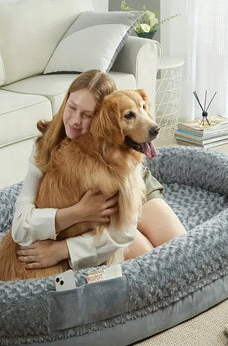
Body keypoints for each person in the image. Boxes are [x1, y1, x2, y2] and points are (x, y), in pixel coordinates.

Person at [12, 69, 186, 271]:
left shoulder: (120, 149)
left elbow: (125, 231)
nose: (76, 121)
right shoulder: (45, 147)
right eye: (72, 107)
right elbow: (20, 226)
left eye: (87, 115)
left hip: (134, 179)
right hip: (101, 207)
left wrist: (62, 249)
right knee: (151, 265)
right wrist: (76, 213)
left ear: (103, 120)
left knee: (182, 251)